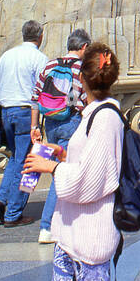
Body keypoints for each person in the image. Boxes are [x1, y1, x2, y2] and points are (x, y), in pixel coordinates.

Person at [20, 41, 131, 281]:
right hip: (70, 234)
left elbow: (90, 183)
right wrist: (60, 155)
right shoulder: (92, 116)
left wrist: (53, 172)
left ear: (83, 79)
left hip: (92, 236)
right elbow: (83, 165)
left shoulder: (106, 119)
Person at [31, 29, 91, 245]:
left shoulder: (49, 64)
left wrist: (34, 126)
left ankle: (66, 221)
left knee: (60, 169)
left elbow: (36, 96)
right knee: (63, 172)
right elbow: (84, 99)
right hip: (70, 121)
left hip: (51, 122)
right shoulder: (81, 67)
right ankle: (47, 226)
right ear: (84, 47)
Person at [0, 20, 48, 226]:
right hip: (26, 114)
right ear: (40, 37)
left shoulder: (7, 55)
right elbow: (43, 92)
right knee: (30, 163)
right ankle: (13, 212)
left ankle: (1, 198)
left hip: (6, 112)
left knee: (16, 158)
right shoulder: (40, 58)